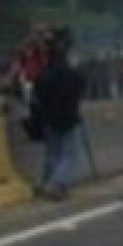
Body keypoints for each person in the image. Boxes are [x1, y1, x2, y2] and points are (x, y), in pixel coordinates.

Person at [32, 28, 86, 201]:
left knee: (54, 152)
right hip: (67, 115)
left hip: (49, 116)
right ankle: (57, 184)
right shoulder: (68, 71)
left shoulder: (44, 73)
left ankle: (47, 181)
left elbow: (38, 93)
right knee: (69, 153)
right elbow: (79, 86)